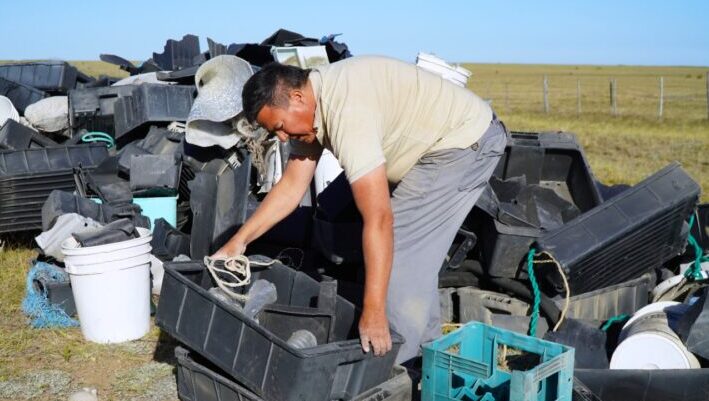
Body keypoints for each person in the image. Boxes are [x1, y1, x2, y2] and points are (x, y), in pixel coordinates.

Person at [213, 56, 508, 364]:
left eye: (280, 127)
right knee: (411, 261)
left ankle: (395, 369)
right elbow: (289, 189)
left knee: (401, 252)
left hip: (463, 143)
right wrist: (239, 241)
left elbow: (379, 219)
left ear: (297, 97)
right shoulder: (312, 108)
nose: (283, 138)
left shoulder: (347, 112)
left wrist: (373, 311)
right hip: (443, 145)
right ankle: (426, 360)